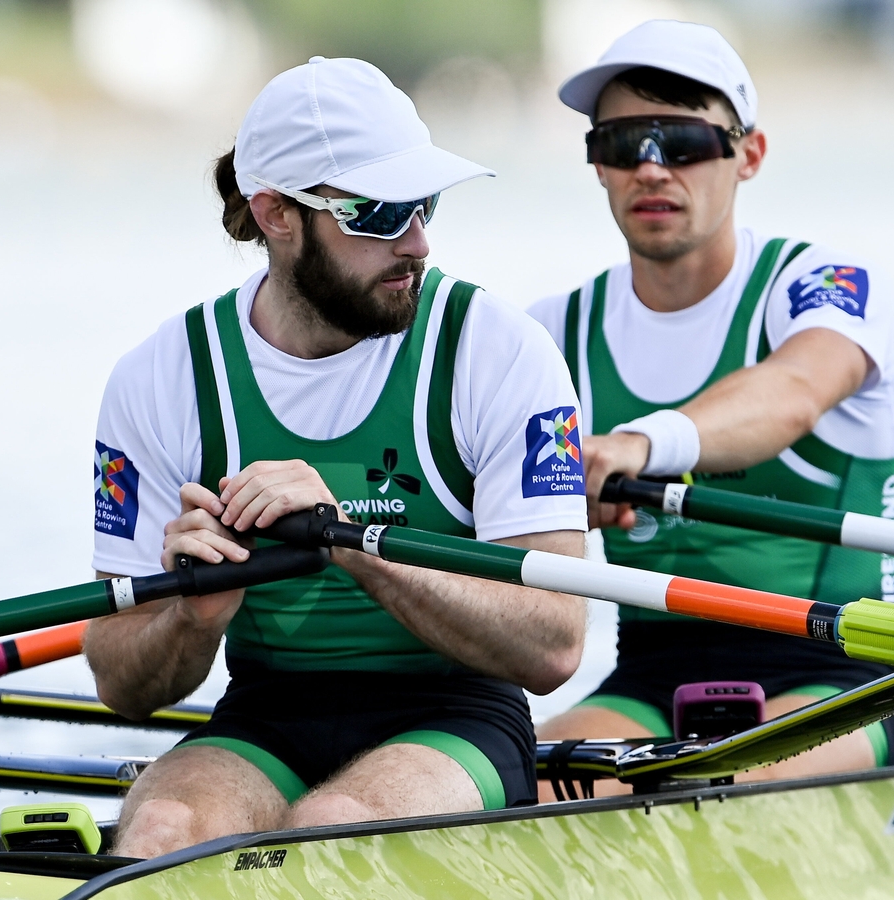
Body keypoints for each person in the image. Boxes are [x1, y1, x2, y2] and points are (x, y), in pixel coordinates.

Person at [85, 57, 589, 857]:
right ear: (276, 213)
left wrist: (353, 547)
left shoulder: (497, 353)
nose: (417, 241)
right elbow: (120, 682)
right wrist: (190, 614)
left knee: (331, 830)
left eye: (423, 204)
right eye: (381, 213)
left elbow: (556, 642)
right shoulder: (161, 377)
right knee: (161, 830)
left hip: (454, 714)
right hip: (265, 717)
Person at [528, 21, 894, 794]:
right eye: (623, 142)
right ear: (596, 163)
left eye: (684, 141)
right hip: (646, 682)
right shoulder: (548, 335)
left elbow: (792, 395)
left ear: (749, 155)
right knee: (517, 786)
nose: (650, 167)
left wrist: (642, 444)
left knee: (736, 788)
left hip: (843, 676)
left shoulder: (826, 289)